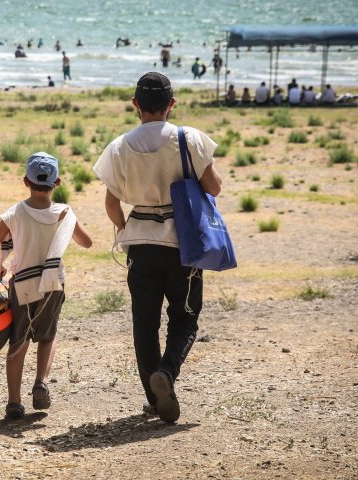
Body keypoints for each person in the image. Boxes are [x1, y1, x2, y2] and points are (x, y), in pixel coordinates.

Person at [93, 72, 222, 424]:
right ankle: (167, 372)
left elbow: (111, 205)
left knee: (144, 323)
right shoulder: (189, 138)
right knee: (185, 317)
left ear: (135, 105)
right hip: (182, 245)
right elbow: (214, 187)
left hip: (141, 245)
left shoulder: (118, 147)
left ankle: (154, 398)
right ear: (172, 104)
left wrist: (128, 231)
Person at [0, 153, 92, 419]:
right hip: (53, 283)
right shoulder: (65, 213)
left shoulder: (16, 212)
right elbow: (86, 242)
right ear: (58, 182)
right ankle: (41, 381)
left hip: (22, 283)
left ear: (25, 181)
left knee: (18, 341)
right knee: (47, 335)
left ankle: (14, 402)